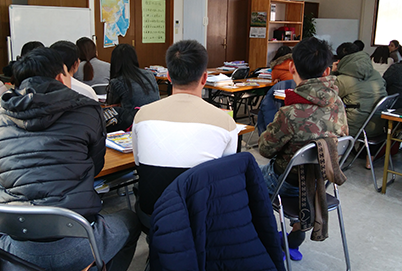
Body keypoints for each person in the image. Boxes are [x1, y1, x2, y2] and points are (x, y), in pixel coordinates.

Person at [0, 48, 140, 271]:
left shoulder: (2, 115)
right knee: (130, 222)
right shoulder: (86, 110)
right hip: (77, 241)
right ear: (60, 77)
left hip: (14, 250)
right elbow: (95, 166)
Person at [258, 37, 348, 261]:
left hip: (287, 184)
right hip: (320, 183)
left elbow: (265, 149)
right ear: (327, 70)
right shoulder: (338, 104)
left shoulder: (291, 112)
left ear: (291, 67)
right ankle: (294, 237)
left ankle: (265, 238)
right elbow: (342, 138)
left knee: (247, 179)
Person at [133, 39, 238, 217]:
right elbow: (225, 174)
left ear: (168, 76)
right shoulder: (226, 122)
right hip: (203, 216)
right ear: (204, 78)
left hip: (153, 213)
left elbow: (138, 163)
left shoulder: (142, 116)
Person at [332, 42, 387, 140]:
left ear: (340, 60)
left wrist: (333, 72)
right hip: (378, 126)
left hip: (356, 129)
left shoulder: (343, 80)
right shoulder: (376, 74)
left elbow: (324, 95)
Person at [106, 43, 160, 132]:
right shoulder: (149, 75)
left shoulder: (117, 81)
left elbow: (111, 106)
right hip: (156, 120)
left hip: (134, 124)